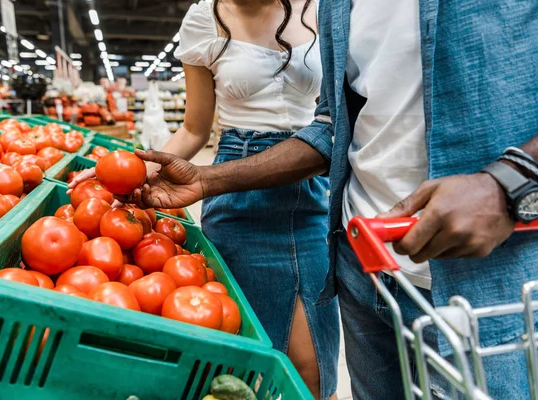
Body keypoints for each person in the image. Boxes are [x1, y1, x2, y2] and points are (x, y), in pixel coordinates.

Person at [125, 0, 538, 398]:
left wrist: (509, 182)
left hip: (386, 222)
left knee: (316, 366)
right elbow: (320, 125)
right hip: (318, 227)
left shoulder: (319, 7)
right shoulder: (321, 8)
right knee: (261, 353)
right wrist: (155, 171)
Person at [70, 1, 340, 398]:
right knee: (243, 357)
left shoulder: (323, 8)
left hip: (309, 180)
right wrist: (132, 167)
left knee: (313, 365)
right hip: (234, 191)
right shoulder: (204, 17)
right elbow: (195, 128)